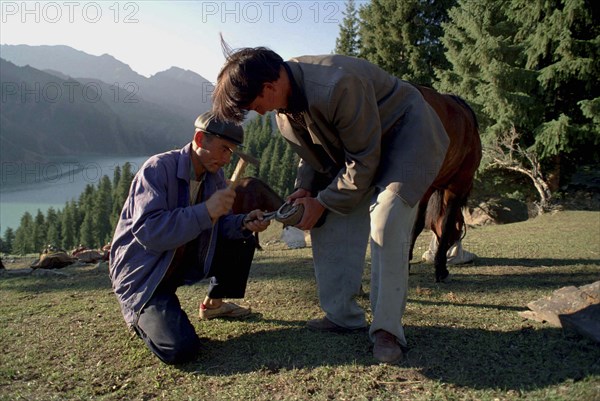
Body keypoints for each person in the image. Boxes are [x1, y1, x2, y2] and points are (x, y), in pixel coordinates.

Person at [212, 46, 449, 363]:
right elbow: (312, 157)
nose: (261, 112)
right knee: (320, 217)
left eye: (257, 105)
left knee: (388, 215)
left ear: (269, 87)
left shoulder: (338, 83)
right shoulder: (284, 110)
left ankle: (387, 330)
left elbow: (364, 161)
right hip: (359, 149)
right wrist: (305, 190)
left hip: (407, 133)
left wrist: (322, 201)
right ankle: (342, 315)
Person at [109, 111, 270, 365]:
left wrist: (243, 222)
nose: (228, 159)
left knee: (243, 237)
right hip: (145, 275)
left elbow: (220, 224)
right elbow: (149, 231)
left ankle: (214, 304)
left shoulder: (214, 177)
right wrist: (206, 211)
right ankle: (138, 314)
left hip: (177, 262)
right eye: (224, 149)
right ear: (199, 138)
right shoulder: (157, 169)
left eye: (232, 152)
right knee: (180, 349)